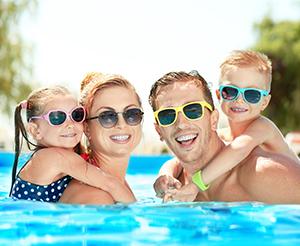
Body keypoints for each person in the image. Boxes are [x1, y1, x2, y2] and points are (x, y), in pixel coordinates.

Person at [149, 70, 300, 203]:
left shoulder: (261, 174)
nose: (181, 124)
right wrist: (164, 175)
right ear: (159, 131)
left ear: (213, 120)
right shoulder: (174, 187)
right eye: (167, 115)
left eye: (193, 110)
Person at [10, 85, 135, 203]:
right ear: (35, 130)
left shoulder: (72, 156)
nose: (70, 124)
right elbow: (110, 183)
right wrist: (138, 212)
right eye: (57, 117)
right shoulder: (52, 157)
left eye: (76, 115)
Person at [59, 72, 144, 205]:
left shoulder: (117, 184)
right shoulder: (96, 198)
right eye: (107, 116)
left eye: (132, 114)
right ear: (86, 128)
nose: (122, 124)